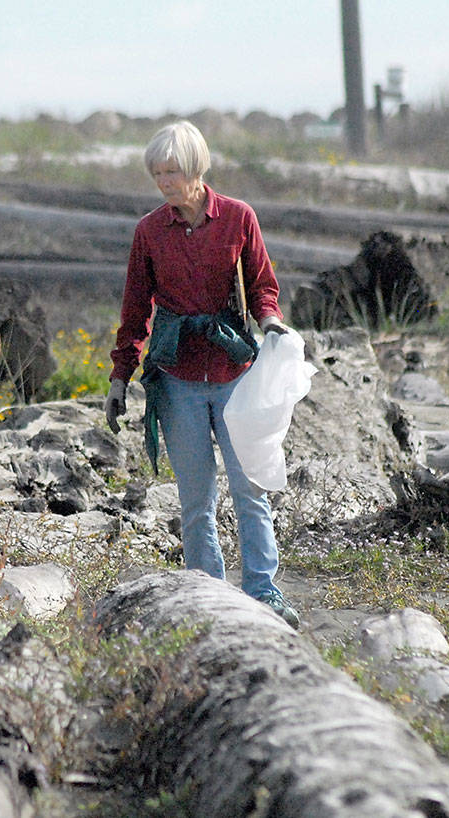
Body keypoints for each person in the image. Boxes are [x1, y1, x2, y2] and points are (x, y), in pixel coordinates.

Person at [104, 120, 300, 629]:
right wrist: (119, 376)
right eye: (158, 174)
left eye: (173, 172)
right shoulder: (149, 231)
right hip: (176, 379)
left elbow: (262, 286)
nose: (165, 183)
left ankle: (263, 590)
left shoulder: (238, 218)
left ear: (195, 170)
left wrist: (271, 323)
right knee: (196, 498)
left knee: (249, 486)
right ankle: (207, 595)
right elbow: (134, 310)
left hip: (235, 371)